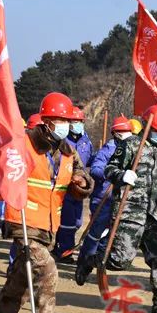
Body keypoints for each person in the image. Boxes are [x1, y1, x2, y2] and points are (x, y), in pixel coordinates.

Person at [0, 92, 93, 313]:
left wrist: (82, 183)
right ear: (47, 121)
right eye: (61, 120)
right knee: (46, 268)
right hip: (23, 219)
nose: (66, 125)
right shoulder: (23, 145)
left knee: (22, 277)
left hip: (48, 223)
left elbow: (82, 176)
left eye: (68, 120)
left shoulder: (67, 150)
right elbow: (1, 167)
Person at [84, 105, 157, 313]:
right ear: (148, 127)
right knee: (121, 260)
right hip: (129, 210)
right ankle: (92, 259)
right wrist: (122, 175)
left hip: (151, 212)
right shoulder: (131, 145)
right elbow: (109, 169)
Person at [74, 116, 131, 285]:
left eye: (127, 132)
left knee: (114, 232)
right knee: (96, 232)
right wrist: (112, 174)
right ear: (115, 133)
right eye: (122, 132)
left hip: (120, 199)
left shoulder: (132, 148)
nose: (125, 135)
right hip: (103, 197)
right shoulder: (108, 149)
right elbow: (97, 169)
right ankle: (84, 261)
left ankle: (99, 260)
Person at [53, 106, 93, 262]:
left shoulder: (85, 140)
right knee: (68, 222)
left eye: (79, 122)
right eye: (74, 121)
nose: (77, 124)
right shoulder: (63, 142)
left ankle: (59, 244)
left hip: (79, 189)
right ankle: (65, 251)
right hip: (65, 187)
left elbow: (88, 160)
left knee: (77, 223)